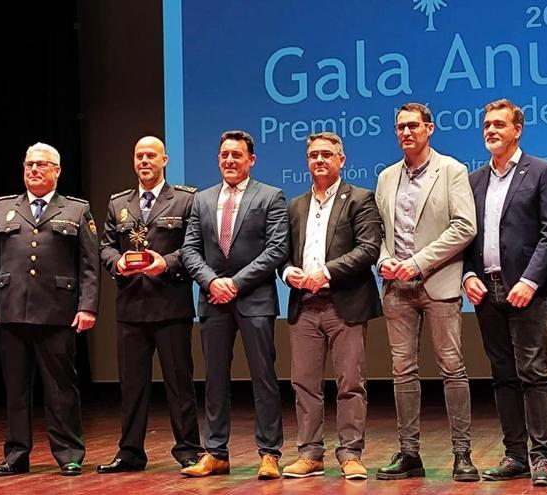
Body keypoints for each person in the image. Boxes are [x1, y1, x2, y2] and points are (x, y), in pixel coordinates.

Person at [0, 142, 100, 477]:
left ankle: (69, 452)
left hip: (58, 312)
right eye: (29, 164)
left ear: (57, 171)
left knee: (61, 388)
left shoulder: (76, 209)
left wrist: (87, 307)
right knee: (15, 389)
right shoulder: (2, 208)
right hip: (12, 310)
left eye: (42, 164)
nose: (34, 170)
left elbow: (89, 265)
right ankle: (16, 454)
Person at [374, 103, 479, 481]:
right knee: (402, 371)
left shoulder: (451, 170)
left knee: (452, 369)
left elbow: (464, 226)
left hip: (438, 282)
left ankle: (462, 454)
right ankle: (409, 454)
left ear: (429, 129)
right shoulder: (386, 177)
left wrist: (417, 262)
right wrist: (384, 259)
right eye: (400, 127)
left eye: (413, 126)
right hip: (396, 286)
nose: (405, 132)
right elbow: (379, 230)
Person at [463, 99, 547, 486]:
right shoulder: (473, 180)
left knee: (533, 373)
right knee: (502, 375)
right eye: (486, 124)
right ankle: (515, 454)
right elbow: (467, 237)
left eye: (499, 124)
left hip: (527, 289)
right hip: (485, 291)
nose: (491, 130)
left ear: (517, 129)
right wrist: (468, 274)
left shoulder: (542, 171)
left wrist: (531, 281)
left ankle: (542, 459)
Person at [180, 130, 289, 480]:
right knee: (214, 379)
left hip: (254, 300)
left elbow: (276, 251)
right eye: (224, 154)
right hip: (213, 301)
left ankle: (269, 453)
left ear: (251, 160)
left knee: (264, 378)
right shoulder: (202, 199)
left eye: (237, 155)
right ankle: (216, 452)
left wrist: (236, 283)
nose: (229, 160)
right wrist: (212, 281)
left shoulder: (271, 196)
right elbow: (189, 250)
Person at [279, 132, 382, 480]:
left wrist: (325, 272)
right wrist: (287, 271)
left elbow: (368, 248)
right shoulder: (295, 205)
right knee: (304, 383)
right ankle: (310, 454)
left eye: (326, 154)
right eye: (312, 155)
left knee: (350, 383)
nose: (319, 160)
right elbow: (283, 254)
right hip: (305, 306)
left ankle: (351, 453)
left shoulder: (361, 199)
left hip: (345, 305)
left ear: (342, 159)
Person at [96, 136, 203, 473]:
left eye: (150, 156)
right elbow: (105, 247)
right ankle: (129, 452)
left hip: (170, 304)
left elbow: (193, 247)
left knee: (178, 382)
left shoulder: (185, 200)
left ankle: (188, 449)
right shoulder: (119, 203)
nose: (144, 161)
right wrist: (118, 262)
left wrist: (166, 263)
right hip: (131, 308)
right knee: (131, 385)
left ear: (164, 160)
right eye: (139, 155)